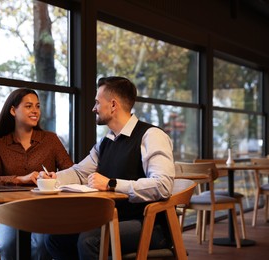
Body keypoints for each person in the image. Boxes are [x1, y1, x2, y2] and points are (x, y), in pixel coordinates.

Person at [40, 76, 175, 259]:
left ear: (113, 105)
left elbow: (163, 185)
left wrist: (112, 184)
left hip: (149, 224)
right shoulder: (105, 142)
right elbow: (80, 172)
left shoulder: (151, 136)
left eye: (97, 102)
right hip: (112, 218)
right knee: (55, 238)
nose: (93, 108)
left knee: (88, 240)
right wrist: (54, 178)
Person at [0, 88, 73, 260]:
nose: (35, 111)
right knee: (8, 247)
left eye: (37, 106)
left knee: (41, 246)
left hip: (45, 211)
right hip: (11, 211)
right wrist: (18, 179)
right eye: (28, 106)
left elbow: (71, 171)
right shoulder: (0, 145)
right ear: (13, 110)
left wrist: (55, 177)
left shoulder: (51, 140)